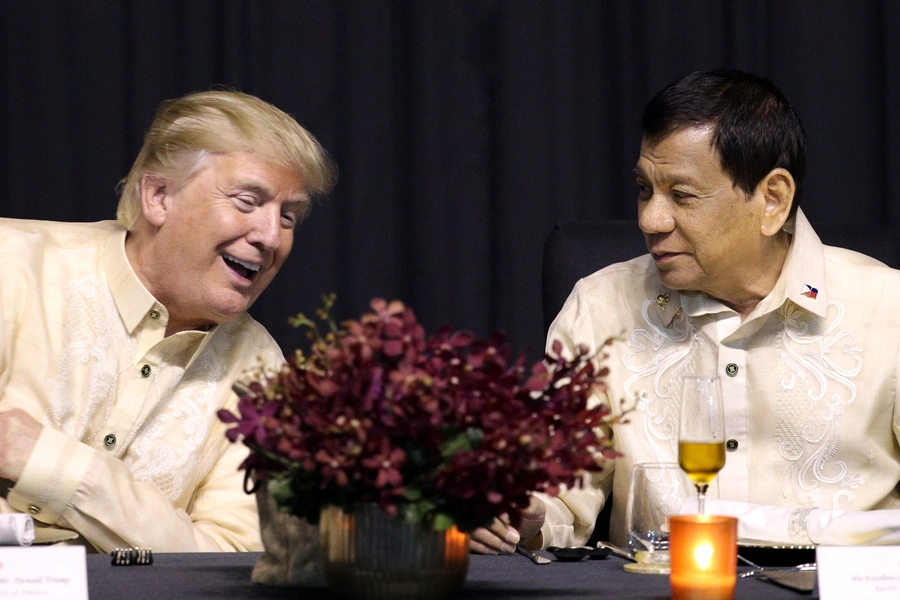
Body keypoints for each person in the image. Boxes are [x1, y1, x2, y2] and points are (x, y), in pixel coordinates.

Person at [472, 68, 900, 553]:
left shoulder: (889, 310)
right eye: (643, 189)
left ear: (772, 199)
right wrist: (519, 514)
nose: (649, 219)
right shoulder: (600, 308)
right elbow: (555, 501)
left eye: (682, 195)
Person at [0, 90, 336, 552]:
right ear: (159, 197)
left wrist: (49, 464)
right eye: (246, 200)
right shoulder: (11, 266)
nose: (271, 236)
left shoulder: (262, 372)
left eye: (289, 216)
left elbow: (233, 562)